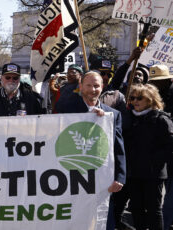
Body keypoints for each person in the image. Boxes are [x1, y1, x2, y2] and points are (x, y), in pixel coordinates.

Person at [55, 71, 127, 230]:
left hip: (102, 179)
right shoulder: (66, 109)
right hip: (73, 179)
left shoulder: (113, 115)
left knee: (103, 220)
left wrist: (120, 177)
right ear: (80, 87)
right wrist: (89, 117)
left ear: (102, 87)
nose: (92, 89)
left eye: (96, 86)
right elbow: (57, 140)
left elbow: (118, 147)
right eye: (88, 85)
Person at [121, 84, 173, 230]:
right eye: (132, 98)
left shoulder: (161, 119)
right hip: (133, 173)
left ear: (150, 100)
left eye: (140, 98)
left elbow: (169, 146)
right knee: (136, 209)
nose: (135, 101)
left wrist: (154, 161)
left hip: (153, 174)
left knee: (153, 211)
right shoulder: (129, 118)